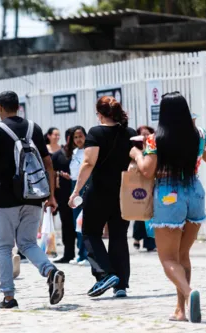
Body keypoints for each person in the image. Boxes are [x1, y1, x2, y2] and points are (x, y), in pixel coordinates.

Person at [130, 92, 206, 323]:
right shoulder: (199, 134)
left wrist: (136, 153)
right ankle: (181, 309)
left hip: (169, 195)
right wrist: (203, 139)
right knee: (182, 255)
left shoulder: (156, 139)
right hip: (195, 192)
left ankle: (189, 294)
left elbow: (147, 170)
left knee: (168, 259)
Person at [0, 91, 65, 309]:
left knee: (3, 247)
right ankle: (50, 270)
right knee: (27, 243)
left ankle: (8, 297)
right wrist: (51, 195)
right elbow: (48, 163)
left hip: (6, 197)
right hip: (33, 195)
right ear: (18, 107)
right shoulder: (33, 128)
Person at [69, 96, 137, 298]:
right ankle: (121, 284)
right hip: (123, 192)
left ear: (99, 113)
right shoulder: (130, 133)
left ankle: (105, 273)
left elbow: (88, 163)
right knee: (118, 236)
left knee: (89, 232)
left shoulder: (96, 132)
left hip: (99, 191)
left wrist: (76, 191)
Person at [65, 126, 89, 265]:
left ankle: (87, 255)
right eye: (75, 137)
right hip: (74, 186)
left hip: (84, 186)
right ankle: (80, 253)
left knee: (84, 221)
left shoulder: (88, 151)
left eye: (80, 136)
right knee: (76, 222)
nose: (78, 139)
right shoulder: (74, 152)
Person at [52, 128, 75, 264]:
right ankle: (68, 253)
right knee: (66, 225)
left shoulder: (83, 153)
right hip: (63, 195)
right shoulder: (58, 155)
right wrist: (51, 196)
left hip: (80, 195)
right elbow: (51, 175)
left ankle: (84, 254)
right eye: (73, 137)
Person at [133, 125, 156, 252]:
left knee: (151, 213)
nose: (146, 137)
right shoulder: (136, 149)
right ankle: (137, 237)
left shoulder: (155, 147)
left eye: (148, 134)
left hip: (153, 183)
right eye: (143, 134)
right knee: (140, 214)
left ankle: (150, 242)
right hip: (140, 184)